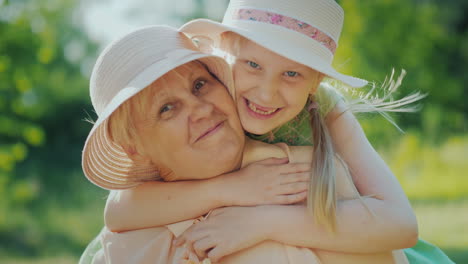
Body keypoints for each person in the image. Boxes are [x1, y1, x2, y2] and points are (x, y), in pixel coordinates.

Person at [80, 25, 409, 264]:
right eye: (167, 109)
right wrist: (231, 189)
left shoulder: (299, 169)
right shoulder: (135, 228)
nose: (200, 109)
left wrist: (261, 221)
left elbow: (393, 233)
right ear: (133, 148)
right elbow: (118, 212)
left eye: (200, 85)